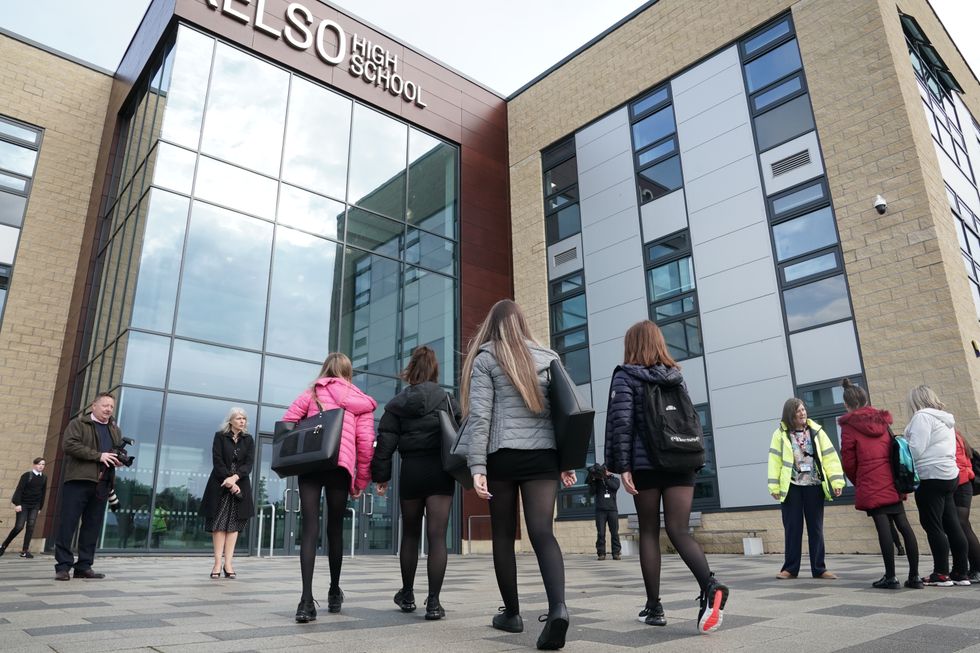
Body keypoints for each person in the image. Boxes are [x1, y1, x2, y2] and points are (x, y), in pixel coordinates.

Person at [457, 299, 575, 651]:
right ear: (522, 323)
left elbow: (480, 418)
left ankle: (511, 614)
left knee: (504, 536)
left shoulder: (486, 358)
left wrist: (477, 467)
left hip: (502, 459)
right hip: (543, 457)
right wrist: (565, 461)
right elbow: (565, 413)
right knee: (543, 533)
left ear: (491, 326)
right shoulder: (548, 356)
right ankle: (558, 609)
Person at [605, 320, 728, 634]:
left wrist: (622, 466)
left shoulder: (626, 375)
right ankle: (710, 585)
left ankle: (654, 607)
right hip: (681, 460)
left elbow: (622, 425)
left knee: (648, 532)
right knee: (678, 529)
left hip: (647, 464)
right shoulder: (676, 377)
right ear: (659, 343)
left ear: (631, 344)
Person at [283, 352, 377, 623]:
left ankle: (305, 601)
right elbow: (365, 444)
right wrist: (360, 482)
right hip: (339, 467)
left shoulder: (312, 393)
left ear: (326, 369)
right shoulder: (361, 402)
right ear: (348, 372)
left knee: (309, 528)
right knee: (334, 529)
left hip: (311, 463)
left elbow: (288, 422)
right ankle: (334, 592)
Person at [371, 346, 458, 620]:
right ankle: (434, 602)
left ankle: (407, 594)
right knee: (437, 537)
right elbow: (463, 431)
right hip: (440, 472)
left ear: (411, 369)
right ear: (434, 370)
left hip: (411, 472)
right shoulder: (447, 399)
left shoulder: (398, 403)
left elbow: (385, 441)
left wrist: (381, 477)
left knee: (409, 534)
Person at [838, 379, 920, 589]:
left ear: (847, 404)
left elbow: (848, 461)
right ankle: (915, 577)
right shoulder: (882, 421)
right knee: (904, 525)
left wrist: (859, 481)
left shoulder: (849, 427)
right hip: (891, 480)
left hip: (870, 482)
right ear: (865, 399)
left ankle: (891, 577)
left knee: (883, 527)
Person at [767, 397, 845, 581]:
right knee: (793, 528)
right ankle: (790, 569)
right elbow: (774, 461)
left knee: (816, 528)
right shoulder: (779, 435)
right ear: (790, 415)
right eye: (798, 411)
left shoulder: (817, 431)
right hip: (791, 487)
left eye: (803, 409)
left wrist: (837, 482)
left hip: (814, 485)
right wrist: (774, 486)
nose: (802, 413)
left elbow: (830, 457)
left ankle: (819, 568)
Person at [54, 392, 125, 580]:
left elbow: (115, 451)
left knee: (92, 526)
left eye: (111, 406)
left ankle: (84, 566)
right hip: (78, 481)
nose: (108, 409)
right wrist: (99, 455)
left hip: (102, 484)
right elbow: (69, 445)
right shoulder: (78, 424)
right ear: (94, 406)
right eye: (105, 405)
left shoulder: (114, 429)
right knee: (68, 524)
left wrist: (118, 459)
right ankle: (63, 566)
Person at [904, 385, 969, 586]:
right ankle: (960, 572)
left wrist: (904, 442)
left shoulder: (922, 417)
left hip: (930, 476)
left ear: (916, 401)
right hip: (950, 475)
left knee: (933, 525)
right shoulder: (945, 419)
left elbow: (916, 449)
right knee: (952, 524)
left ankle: (941, 573)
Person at [200, 407, 255, 579]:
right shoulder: (220, 436)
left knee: (233, 526)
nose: (242, 421)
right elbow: (217, 460)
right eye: (238, 418)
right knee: (218, 524)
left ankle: (229, 563)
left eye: (244, 418)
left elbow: (249, 463)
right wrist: (228, 480)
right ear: (230, 420)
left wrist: (235, 478)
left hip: (240, 485)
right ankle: (217, 563)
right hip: (220, 484)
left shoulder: (249, 439)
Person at [0, 457, 47, 558]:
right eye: (39, 464)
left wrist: (40, 507)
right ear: (34, 465)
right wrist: (17, 504)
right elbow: (19, 489)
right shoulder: (27, 475)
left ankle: (25, 551)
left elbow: (43, 493)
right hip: (23, 504)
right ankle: (3, 546)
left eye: (43, 464)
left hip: (35, 506)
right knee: (19, 527)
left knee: (30, 526)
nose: (41, 466)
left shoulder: (44, 477)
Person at [953, 430, 980, 582]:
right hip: (963, 484)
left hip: (961, 484)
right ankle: (970, 567)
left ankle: (977, 568)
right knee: (962, 525)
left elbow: (959, 463)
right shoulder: (957, 434)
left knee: (962, 524)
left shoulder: (951, 435)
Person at [586, 463, 621, 561]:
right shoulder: (598, 481)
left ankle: (616, 553)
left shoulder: (615, 480)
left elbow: (614, 487)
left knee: (614, 533)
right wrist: (593, 480)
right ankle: (601, 553)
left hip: (612, 510)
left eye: (607, 470)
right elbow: (591, 493)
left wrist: (604, 478)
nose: (606, 471)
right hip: (600, 511)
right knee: (601, 533)